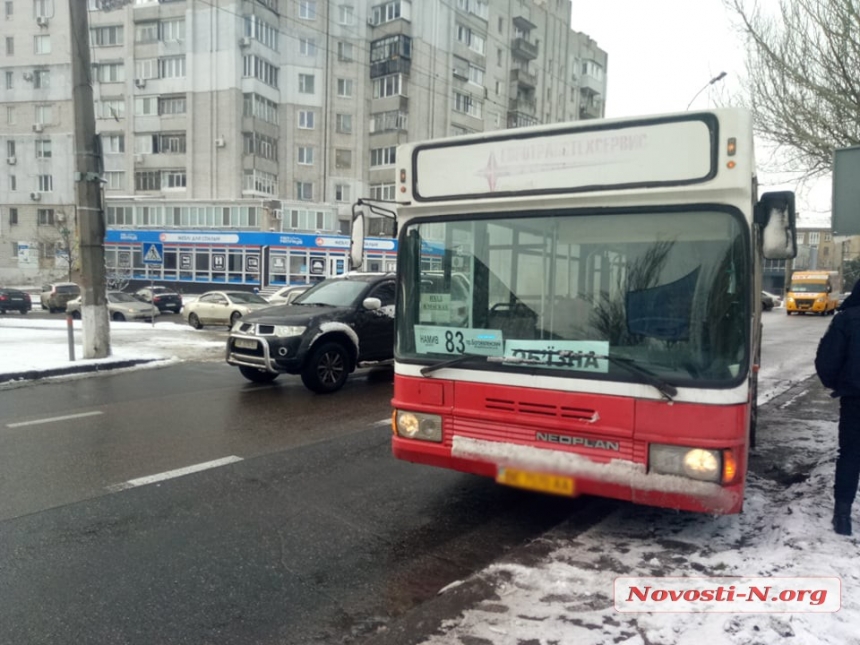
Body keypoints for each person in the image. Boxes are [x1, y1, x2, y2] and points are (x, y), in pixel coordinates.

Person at [815, 280, 860, 536]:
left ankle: (843, 517)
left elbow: (827, 360)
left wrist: (838, 384)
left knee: (851, 456)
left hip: (855, 399)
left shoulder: (847, 320)